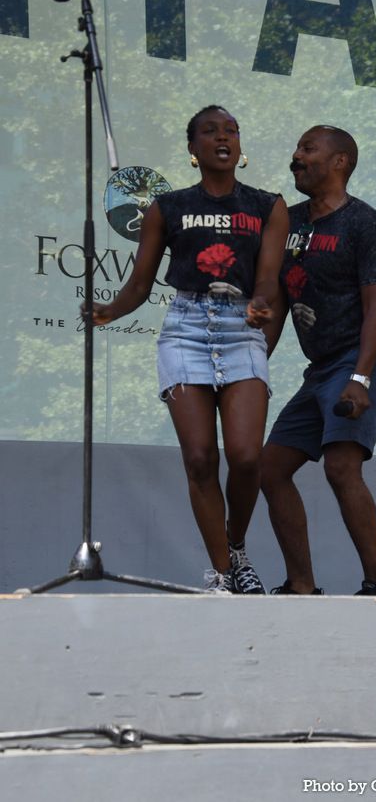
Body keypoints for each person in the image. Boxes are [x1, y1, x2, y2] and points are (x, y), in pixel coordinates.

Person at [88, 105, 289, 594]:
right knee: (200, 458)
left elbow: (267, 276)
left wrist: (262, 302)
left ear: (240, 147)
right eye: (210, 131)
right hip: (185, 328)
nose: (223, 138)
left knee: (245, 458)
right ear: (192, 149)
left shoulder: (268, 205)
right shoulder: (167, 207)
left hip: (241, 326)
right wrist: (110, 310)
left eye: (232, 131)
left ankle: (236, 548)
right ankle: (221, 573)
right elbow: (140, 283)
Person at [261, 125, 376, 596]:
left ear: (340, 161)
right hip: (320, 367)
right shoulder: (288, 222)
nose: (296, 157)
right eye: (297, 147)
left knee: (341, 466)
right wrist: (254, 367)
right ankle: (301, 584)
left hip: (365, 358)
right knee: (270, 469)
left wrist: (360, 377)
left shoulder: (366, 224)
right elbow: (278, 304)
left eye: (307, 149)